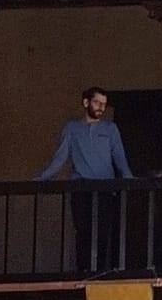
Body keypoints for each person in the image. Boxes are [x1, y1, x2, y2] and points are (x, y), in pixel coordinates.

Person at [35, 85, 134, 272]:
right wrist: (42, 178)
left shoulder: (110, 129)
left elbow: (119, 157)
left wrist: (128, 178)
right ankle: (84, 271)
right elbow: (61, 157)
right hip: (81, 188)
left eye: (104, 104)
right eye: (97, 102)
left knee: (103, 231)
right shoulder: (72, 128)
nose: (101, 108)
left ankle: (103, 271)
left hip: (105, 188)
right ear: (86, 102)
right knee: (83, 231)